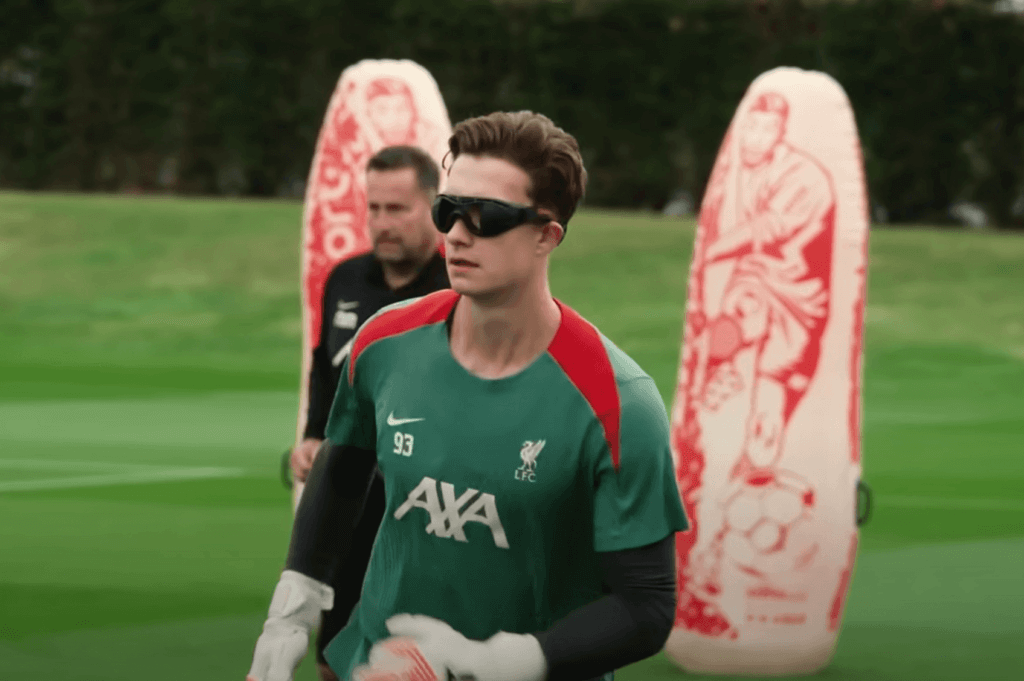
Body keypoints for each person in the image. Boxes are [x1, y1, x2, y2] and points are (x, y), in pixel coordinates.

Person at [248, 111, 690, 681]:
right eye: (448, 211)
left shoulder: (617, 403)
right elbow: (341, 473)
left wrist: (503, 661)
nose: (456, 233)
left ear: (546, 236)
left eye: (485, 217)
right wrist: (291, 612)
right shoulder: (383, 343)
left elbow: (646, 607)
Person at [290, 144, 450, 681]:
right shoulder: (345, 280)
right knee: (335, 659)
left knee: (415, 663)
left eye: (398, 209)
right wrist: (314, 435)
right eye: (374, 208)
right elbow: (325, 367)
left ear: (433, 205)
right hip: (349, 512)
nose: (382, 223)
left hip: (426, 517)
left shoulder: (460, 287)